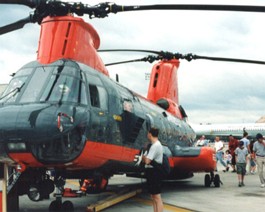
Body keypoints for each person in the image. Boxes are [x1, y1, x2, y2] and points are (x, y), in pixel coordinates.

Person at [142, 127, 164, 212]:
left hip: (154, 172)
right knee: (154, 196)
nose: (147, 134)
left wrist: (143, 158)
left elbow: (147, 161)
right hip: (153, 172)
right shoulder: (156, 145)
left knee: (157, 197)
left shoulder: (155, 146)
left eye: (148, 133)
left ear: (150, 134)